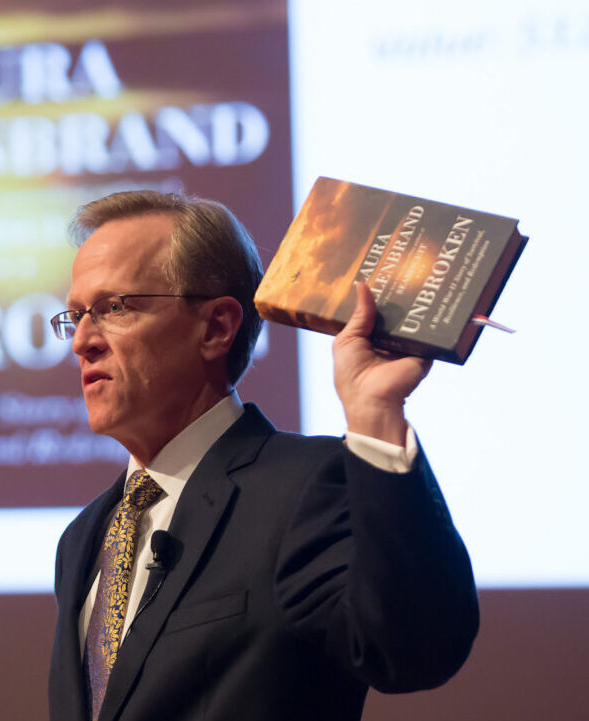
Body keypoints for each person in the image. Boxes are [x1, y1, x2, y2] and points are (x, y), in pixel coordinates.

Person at [47, 190, 478, 721]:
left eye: (114, 308)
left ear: (217, 327)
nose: (81, 341)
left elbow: (414, 649)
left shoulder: (304, 488)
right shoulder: (84, 537)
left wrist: (375, 413)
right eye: (74, 316)